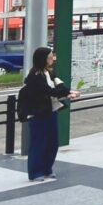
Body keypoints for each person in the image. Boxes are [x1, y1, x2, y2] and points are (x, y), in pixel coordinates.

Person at [22, 47, 79, 182]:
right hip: (38, 114)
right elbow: (48, 91)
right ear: (42, 59)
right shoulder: (34, 76)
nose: (52, 59)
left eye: (52, 56)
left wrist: (69, 92)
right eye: (49, 57)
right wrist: (67, 94)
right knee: (39, 143)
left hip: (51, 111)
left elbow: (60, 86)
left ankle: (47, 169)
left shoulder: (49, 73)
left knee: (52, 142)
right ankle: (35, 172)